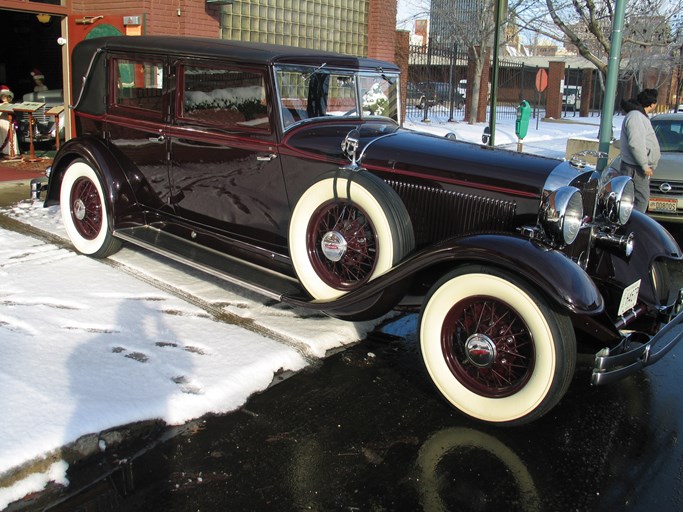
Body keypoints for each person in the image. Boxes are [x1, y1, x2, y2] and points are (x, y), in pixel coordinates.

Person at [619, 88, 660, 213]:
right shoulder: (636, 116)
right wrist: (644, 165)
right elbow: (636, 144)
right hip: (635, 167)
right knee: (640, 200)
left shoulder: (638, 115)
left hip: (636, 166)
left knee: (637, 199)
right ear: (652, 104)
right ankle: (634, 228)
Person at [0, 84, 19, 157]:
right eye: (3, 96)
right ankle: (3, 150)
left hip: (9, 122)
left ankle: (11, 151)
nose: (4, 97)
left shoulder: (11, 105)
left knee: (11, 136)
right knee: (2, 136)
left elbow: (13, 113)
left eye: (6, 96)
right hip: (1, 122)